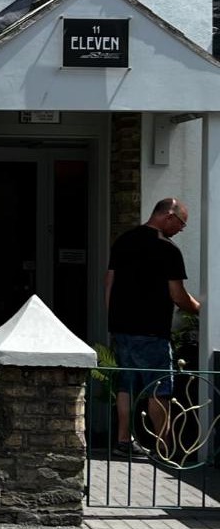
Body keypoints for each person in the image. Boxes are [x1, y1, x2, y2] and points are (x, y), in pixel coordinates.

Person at [104, 197, 200, 459]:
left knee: (126, 386)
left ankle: (123, 442)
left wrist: (112, 320)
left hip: (121, 328)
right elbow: (178, 295)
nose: (181, 229)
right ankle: (165, 448)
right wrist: (202, 310)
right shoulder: (167, 249)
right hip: (151, 331)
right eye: (181, 223)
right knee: (159, 389)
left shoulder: (123, 241)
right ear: (169, 216)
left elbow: (109, 283)